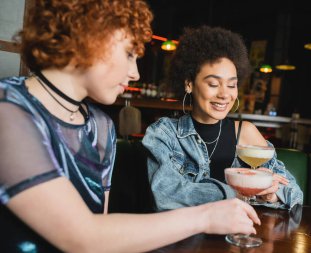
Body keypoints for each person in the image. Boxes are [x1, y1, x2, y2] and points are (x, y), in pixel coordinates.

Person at [0, 1, 261, 252]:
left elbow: (104, 234)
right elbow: (83, 239)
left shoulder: (101, 127)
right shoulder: (8, 111)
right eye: (128, 54)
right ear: (88, 38)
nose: (135, 73)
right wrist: (206, 216)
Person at [142, 25, 303, 211]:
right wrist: (238, 191)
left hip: (236, 236)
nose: (225, 94)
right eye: (213, 84)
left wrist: (271, 194)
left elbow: (293, 191)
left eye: (232, 85)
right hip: (182, 237)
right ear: (189, 84)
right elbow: (165, 196)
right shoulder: (163, 134)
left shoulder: (246, 132)